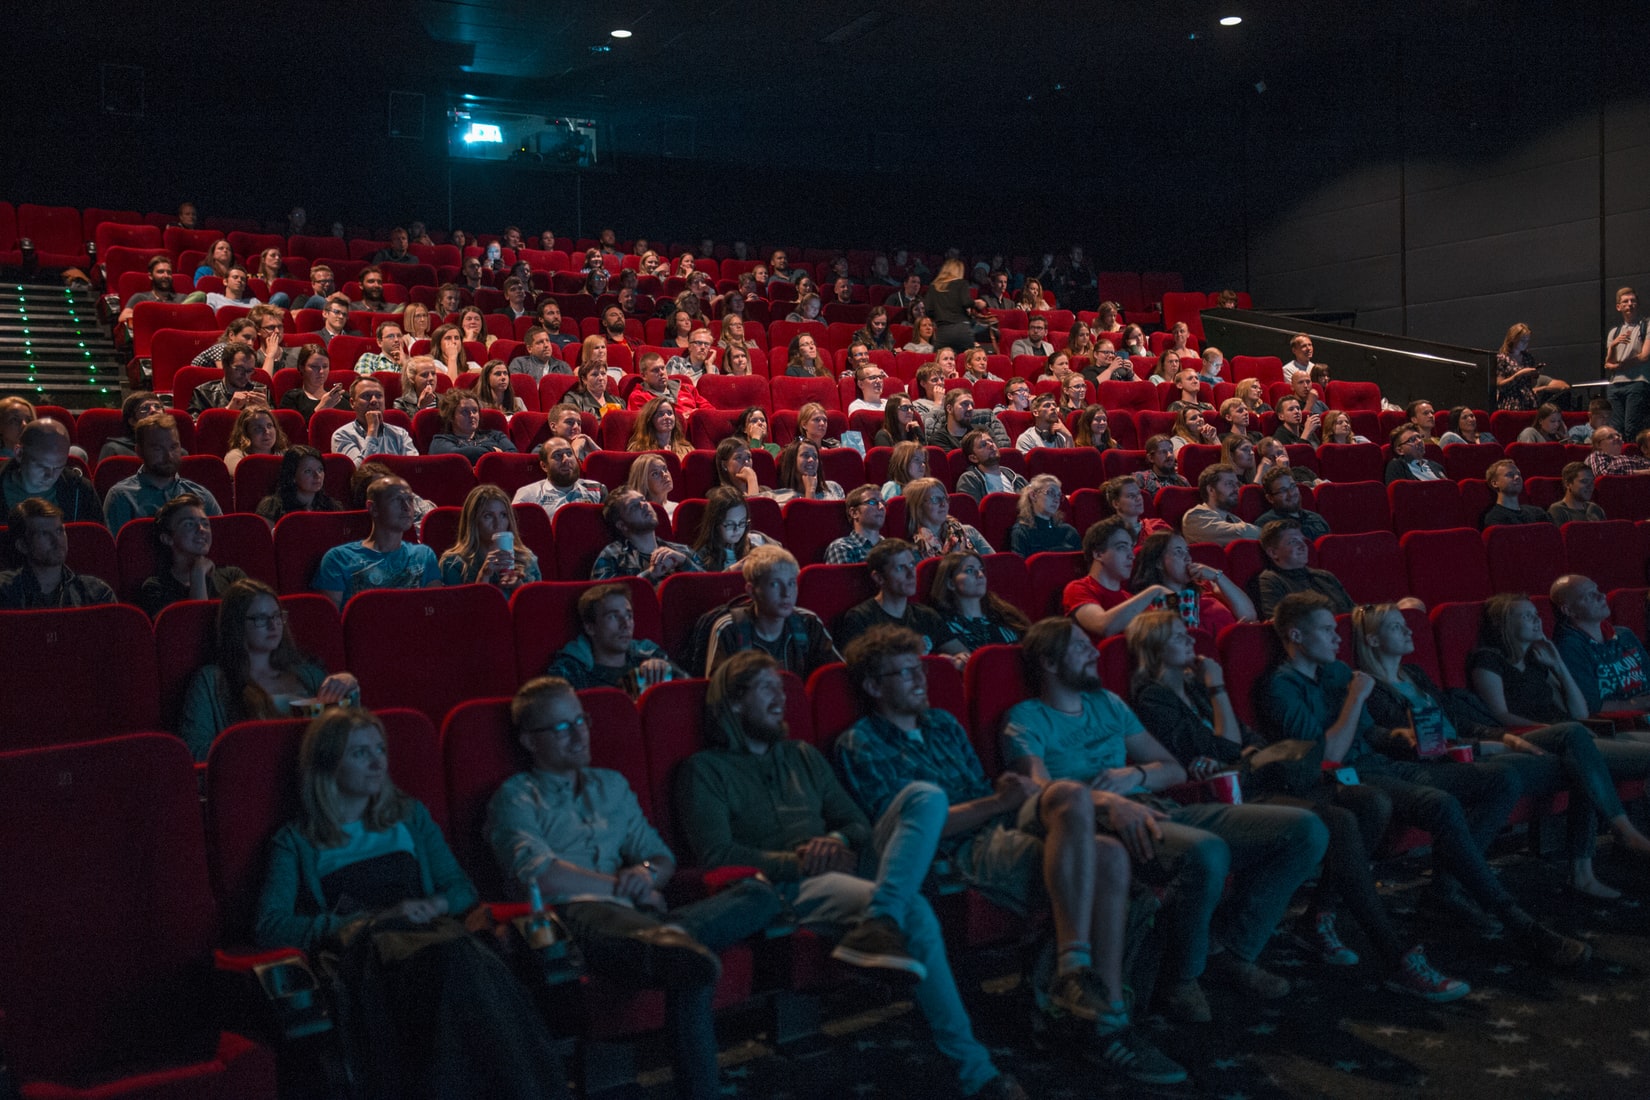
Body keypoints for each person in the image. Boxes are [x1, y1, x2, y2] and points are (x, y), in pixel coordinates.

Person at [833, 626, 1184, 1086]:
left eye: (920, 669)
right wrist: (998, 803)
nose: (921, 681)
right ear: (874, 687)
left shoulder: (942, 724)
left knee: (1078, 805)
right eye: (905, 673)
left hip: (997, 826)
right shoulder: (861, 743)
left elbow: (990, 796)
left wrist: (1004, 800)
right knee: (1109, 860)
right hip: (956, 849)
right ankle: (1105, 1021)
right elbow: (906, 831)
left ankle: (1083, 980)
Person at [676, 652, 1033, 1099]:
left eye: (782, 688)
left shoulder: (802, 755)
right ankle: (975, 1072)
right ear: (732, 703)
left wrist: (838, 842)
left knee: (925, 795)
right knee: (916, 909)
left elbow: (858, 825)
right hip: (789, 883)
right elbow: (717, 854)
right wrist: (800, 861)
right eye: (766, 689)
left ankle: (880, 919)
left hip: (846, 863)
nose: (781, 698)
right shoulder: (705, 771)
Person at [1127, 611, 1469, 1002]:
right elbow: (1223, 748)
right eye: (1177, 636)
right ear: (1153, 648)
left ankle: (1319, 915)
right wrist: (1220, 691)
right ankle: (1394, 953)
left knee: (1371, 802)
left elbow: (1245, 738)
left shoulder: (1196, 686)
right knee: (1338, 822)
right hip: (1240, 794)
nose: (1191, 639)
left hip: (1269, 777)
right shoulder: (1154, 696)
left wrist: (1240, 741)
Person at [1007, 616, 1328, 1017]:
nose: (1094, 652)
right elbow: (1040, 795)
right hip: (1100, 824)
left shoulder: (1108, 703)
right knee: (1207, 852)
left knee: (1305, 830)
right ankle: (1182, 977)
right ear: (1049, 663)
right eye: (1079, 646)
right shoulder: (1026, 718)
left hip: (1159, 805)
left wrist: (1135, 774)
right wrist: (1108, 802)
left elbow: (1173, 770)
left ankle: (1232, 949)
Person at [1256, 592, 1590, 966]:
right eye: (1325, 630)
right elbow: (1329, 755)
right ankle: (1518, 922)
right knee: (1441, 804)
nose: (1337, 638)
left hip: (1383, 763)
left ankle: (1445, 890)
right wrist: (1355, 698)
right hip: (1343, 780)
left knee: (1500, 779)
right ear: (1296, 637)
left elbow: (1370, 735)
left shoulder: (1334, 672)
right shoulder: (1281, 687)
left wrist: (1402, 738)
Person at [487, 678, 780, 1100]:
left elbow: (660, 858)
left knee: (759, 893)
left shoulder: (611, 785)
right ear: (530, 741)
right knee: (682, 959)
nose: (579, 734)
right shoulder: (516, 797)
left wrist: (644, 875)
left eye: (581, 721)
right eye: (562, 728)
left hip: (640, 919)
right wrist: (621, 888)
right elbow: (538, 876)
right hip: (573, 923)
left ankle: (672, 942)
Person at [257, 708, 570, 1099]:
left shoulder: (408, 816)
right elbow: (271, 925)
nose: (377, 762)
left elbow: (459, 889)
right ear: (327, 763)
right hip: (370, 957)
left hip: (434, 937)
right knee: (458, 962)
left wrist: (434, 904)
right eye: (360, 753)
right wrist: (362, 920)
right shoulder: (297, 840)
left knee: (460, 959)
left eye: (380, 749)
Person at [1361, 598, 1650, 901]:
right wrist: (1489, 745)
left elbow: (1461, 722)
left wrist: (1505, 740)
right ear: (1373, 639)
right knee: (1580, 759)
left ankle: (1597, 856)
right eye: (1397, 626)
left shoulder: (1415, 675)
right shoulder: (1372, 689)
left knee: (1576, 741)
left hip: (1491, 743)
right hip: (1457, 759)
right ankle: (1594, 858)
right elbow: (1415, 744)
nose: (1409, 632)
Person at [175, 579, 358, 760]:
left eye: (277, 616)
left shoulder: (308, 674)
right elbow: (195, 751)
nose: (273, 625)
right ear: (236, 624)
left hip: (313, 776)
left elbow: (350, 735)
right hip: (254, 778)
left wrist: (350, 688)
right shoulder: (211, 681)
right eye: (261, 618)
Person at [702, 546, 839, 677]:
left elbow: (834, 677)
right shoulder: (730, 629)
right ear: (751, 590)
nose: (786, 594)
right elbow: (719, 694)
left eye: (791, 583)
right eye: (775, 584)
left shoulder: (808, 623)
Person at [832, 538, 968, 664]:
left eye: (912, 565)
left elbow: (962, 654)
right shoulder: (861, 618)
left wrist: (957, 661)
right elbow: (863, 671)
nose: (911, 574)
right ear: (879, 578)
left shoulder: (926, 615)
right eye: (900, 568)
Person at [313, 476, 441, 608]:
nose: (407, 507)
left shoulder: (424, 555)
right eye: (397, 500)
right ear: (373, 508)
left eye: (410, 500)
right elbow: (330, 621)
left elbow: (435, 612)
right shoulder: (339, 559)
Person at [1253, 519, 1404, 619]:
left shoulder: (1323, 576)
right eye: (1293, 542)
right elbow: (1278, 622)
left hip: (1351, 634)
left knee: (1410, 604)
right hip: (1316, 644)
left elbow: (1352, 610)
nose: (1302, 546)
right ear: (1273, 552)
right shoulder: (1271, 579)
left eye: (1302, 540)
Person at [546, 585, 684, 693]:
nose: (625, 625)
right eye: (613, 616)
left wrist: (666, 670)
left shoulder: (649, 656)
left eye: (629, 616)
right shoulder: (571, 670)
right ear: (590, 627)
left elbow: (688, 694)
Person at [104, 415, 222, 532]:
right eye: (158, 449)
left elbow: (221, 543)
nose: (168, 456)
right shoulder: (121, 496)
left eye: (173, 447)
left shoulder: (201, 496)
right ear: (139, 452)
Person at [135, 494, 247, 618]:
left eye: (205, 524)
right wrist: (198, 573)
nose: (201, 529)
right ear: (167, 538)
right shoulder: (156, 588)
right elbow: (194, 628)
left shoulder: (232, 576)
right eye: (189, 524)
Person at [1064, 517, 1176, 639]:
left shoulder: (1129, 599)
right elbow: (1103, 626)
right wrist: (1154, 591)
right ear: (1098, 553)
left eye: (1131, 548)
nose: (1131, 556)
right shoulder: (1078, 588)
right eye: (1122, 547)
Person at [1132, 530, 1256, 641]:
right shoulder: (1153, 605)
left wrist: (1217, 576)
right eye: (1179, 552)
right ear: (1159, 563)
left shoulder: (1207, 587)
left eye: (1187, 551)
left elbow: (1249, 616)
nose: (1188, 558)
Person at [0, 498, 115, 609]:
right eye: (44, 534)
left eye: (59, 531)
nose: (57, 540)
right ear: (22, 546)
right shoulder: (4, 592)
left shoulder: (96, 594)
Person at [0, 419, 100, 528]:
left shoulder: (80, 490)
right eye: (41, 466)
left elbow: (96, 540)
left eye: (59, 467)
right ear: (19, 453)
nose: (50, 475)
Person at [437, 484, 540, 590]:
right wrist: (483, 576)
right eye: (488, 516)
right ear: (473, 522)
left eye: (503, 515)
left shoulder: (526, 559)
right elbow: (461, 606)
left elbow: (537, 605)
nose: (498, 523)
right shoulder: (453, 564)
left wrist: (518, 586)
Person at [591, 489, 699, 584]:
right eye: (633, 506)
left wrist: (685, 562)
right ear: (622, 525)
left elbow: (711, 588)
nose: (644, 505)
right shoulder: (611, 556)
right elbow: (605, 599)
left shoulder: (682, 551)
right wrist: (651, 574)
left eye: (643, 499)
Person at [929, 551, 1029, 649]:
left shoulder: (1004, 616)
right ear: (950, 583)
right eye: (969, 570)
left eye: (981, 569)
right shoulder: (944, 626)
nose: (980, 575)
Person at [688, 486, 774, 573]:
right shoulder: (703, 556)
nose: (737, 530)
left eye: (742, 523)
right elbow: (705, 584)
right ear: (716, 524)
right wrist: (730, 571)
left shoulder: (752, 545)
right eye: (730, 524)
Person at [331, 377, 417, 461]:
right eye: (367, 396)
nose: (374, 400)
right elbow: (358, 471)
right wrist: (372, 430)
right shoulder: (342, 435)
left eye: (379, 395)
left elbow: (412, 468)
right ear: (352, 403)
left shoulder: (400, 434)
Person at [903, 477, 991, 559]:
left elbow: (993, 566)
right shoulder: (913, 548)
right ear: (918, 506)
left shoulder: (969, 532)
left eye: (945, 499)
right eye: (935, 499)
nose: (943, 504)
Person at [255, 446, 341, 523]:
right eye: (308, 471)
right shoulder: (272, 507)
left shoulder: (331, 506)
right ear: (292, 476)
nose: (317, 476)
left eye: (320, 470)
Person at [1181, 464, 1260, 547]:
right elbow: (1242, 533)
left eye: (1237, 484)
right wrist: (1270, 535)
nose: (1236, 489)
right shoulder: (1194, 516)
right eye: (1229, 483)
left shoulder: (1233, 518)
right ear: (1211, 490)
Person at [428, 389, 513, 461]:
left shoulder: (496, 436)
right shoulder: (440, 441)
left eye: (475, 410)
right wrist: (492, 450)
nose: (471, 415)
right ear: (451, 417)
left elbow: (513, 455)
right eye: (465, 411)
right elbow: (457, 456)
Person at [189, 343, 270, 417]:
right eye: (239, 369)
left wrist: (268, 412)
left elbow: (278, 428)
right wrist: (228, 410)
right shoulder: (203, 393)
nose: (245, 376)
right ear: (225, 366)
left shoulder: (261, 391)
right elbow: (195, 427)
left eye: (250, 371)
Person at [1008, 474, 1080, 555]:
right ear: (1033, 495)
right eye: (1050, 493)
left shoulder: (1068, 532)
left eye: (1058, 495)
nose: (1056, 500)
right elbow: (1019, 566)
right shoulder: (1022, 532)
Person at [1252, 466, 1329, 540]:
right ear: (1270, 498)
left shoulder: (1316, 518)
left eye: (1292, 486)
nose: (1291, 493)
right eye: (1283, 490)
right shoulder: (1266, 524)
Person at [954, 430, 1027, 503]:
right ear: (974, 458)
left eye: (991, 441)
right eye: (983, 445)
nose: (990, 445)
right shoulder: (970, 480)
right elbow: (972, 512)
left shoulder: (1016, 478)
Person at [629, 352, 705, 421]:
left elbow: (709, 410)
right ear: (644, 376)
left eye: (663, 368)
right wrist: (680, 418)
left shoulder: (687, 388)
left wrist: (698, 413)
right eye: (655, 370)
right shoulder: (638, 397)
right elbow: (641, 424)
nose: (661, 372)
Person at [1479, 459, 1553, 527]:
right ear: (1495, 483)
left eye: (1519, 474)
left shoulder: (1537, 512)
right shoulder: (1495, 517)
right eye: (1510, 475)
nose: (1517, 477)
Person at [281, 346, 346, 421]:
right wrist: (322, 407)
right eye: (314, 367)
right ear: (302, 368)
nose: (321, 371)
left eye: (325, 366)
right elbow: (294, 431)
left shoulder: (340, 397)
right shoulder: (292, 399)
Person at [771, 440, 844, 504]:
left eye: (815, 456)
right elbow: (810, 518)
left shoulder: (834, 489)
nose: (811, 460)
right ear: (792, 461)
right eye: (805, 455)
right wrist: (810, 491)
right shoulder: (777, 499)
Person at [1584, 424, 1650, 476]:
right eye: (1610, 437)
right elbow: (1604, 473)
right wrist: (1643, 472)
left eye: (1618, 435)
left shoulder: (1631, 457)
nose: (1617, 438)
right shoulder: (1596, 456)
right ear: (1598, 444)